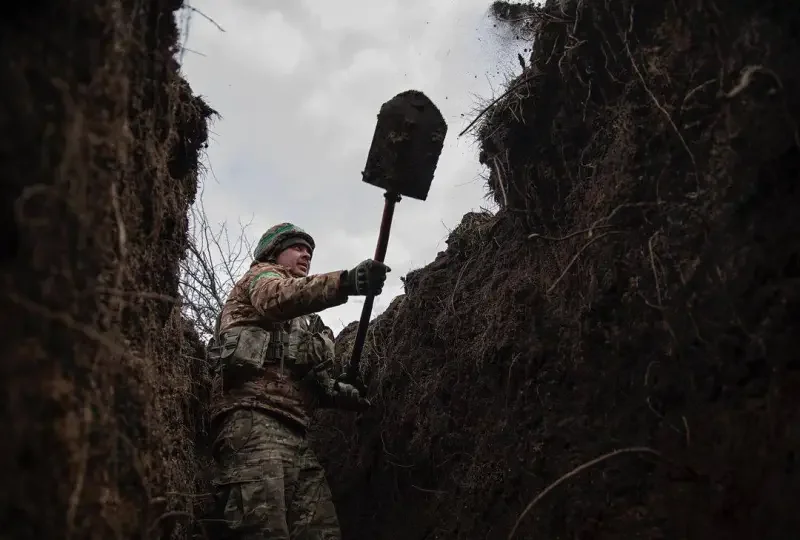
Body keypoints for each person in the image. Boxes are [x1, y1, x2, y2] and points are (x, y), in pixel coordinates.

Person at [206, 222, 390, 539]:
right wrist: (346, 282)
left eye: (310, 250)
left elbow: (313, 383)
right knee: (262, 527)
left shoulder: (307, 321)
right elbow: (276, 298)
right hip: (252, 421)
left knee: (321, 531)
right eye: (297, 247)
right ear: (274, 253)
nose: (306, 253)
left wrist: (343, 393)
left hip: (297, 435)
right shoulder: (262, 279)